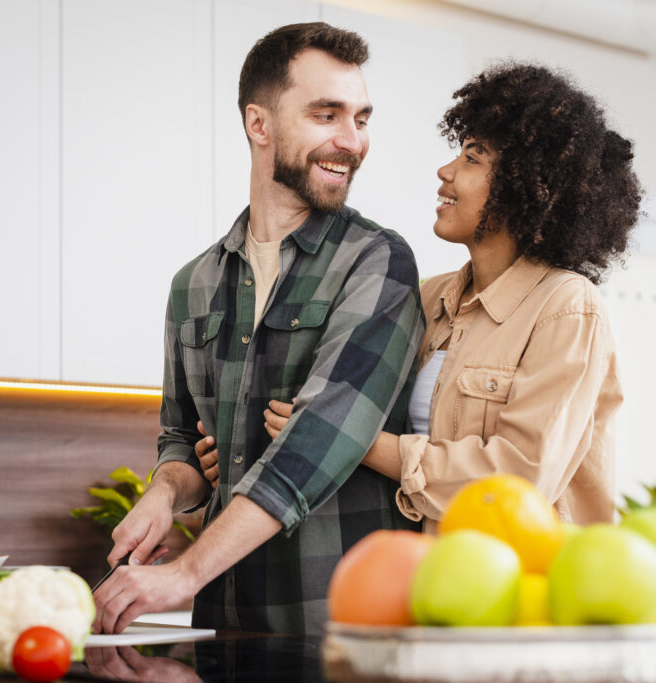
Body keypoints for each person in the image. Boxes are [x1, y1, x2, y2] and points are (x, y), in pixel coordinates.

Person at [201, 61, 641, 531]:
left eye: (472, 158)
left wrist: (346, 439)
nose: (446, 170)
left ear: (527, 187)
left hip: (524, 592)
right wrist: (245, 452)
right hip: (426, 581)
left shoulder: (567, 308)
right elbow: (356, 418)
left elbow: (519, 485)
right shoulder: (430, 297)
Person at [91, 22, 426, 636]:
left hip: (342, 631)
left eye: (362, 118)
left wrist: (186, 571)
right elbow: (180, 441)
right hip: (225, 627)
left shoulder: (378, 261)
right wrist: (164, 494)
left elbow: (317, 444)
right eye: (327, 115)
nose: (351, 141)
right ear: (259, 124)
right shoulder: (191, 284)